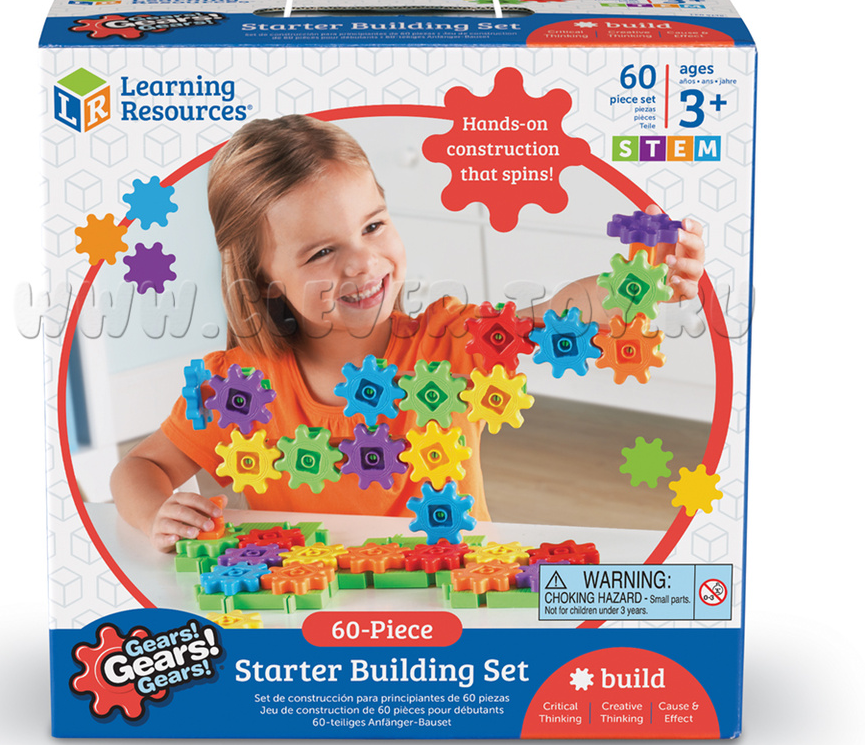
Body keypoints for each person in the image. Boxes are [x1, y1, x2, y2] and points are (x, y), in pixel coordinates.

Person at [110, 115, 705, 551]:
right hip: (315, 612)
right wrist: (158, 514)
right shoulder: (237, 388)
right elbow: (138, 468)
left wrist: (642, 281)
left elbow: (560, 314)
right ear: (264, 279)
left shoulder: (452, 344)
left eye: (372, 226)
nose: (363, 262)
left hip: (456, 602)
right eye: (321, 252)